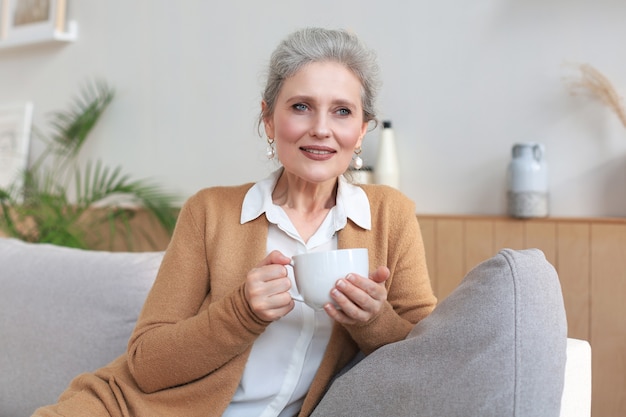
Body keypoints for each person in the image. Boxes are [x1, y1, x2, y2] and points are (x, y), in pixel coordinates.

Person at [33, 27, 437, 417]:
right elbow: (145, 365)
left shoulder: (389, 215)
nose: (320, 129)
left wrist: (373, 321)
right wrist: (241, 312)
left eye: (342, 112)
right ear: (268, 119)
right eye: (300, 107)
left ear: (362, 129)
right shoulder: (209, 212)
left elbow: (430, 357)